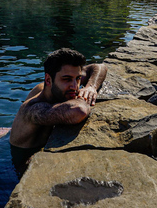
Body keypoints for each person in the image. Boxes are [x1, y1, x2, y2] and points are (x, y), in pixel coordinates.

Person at [9, 48, 107, 176]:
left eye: (78, 78)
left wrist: (91, 86)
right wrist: (84, 98)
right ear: (48, 80)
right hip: (19, 166)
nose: (75, 86)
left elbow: (99, 67)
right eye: (67, 79)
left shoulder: (52, 86)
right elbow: (78, 111)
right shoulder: (35, 109)